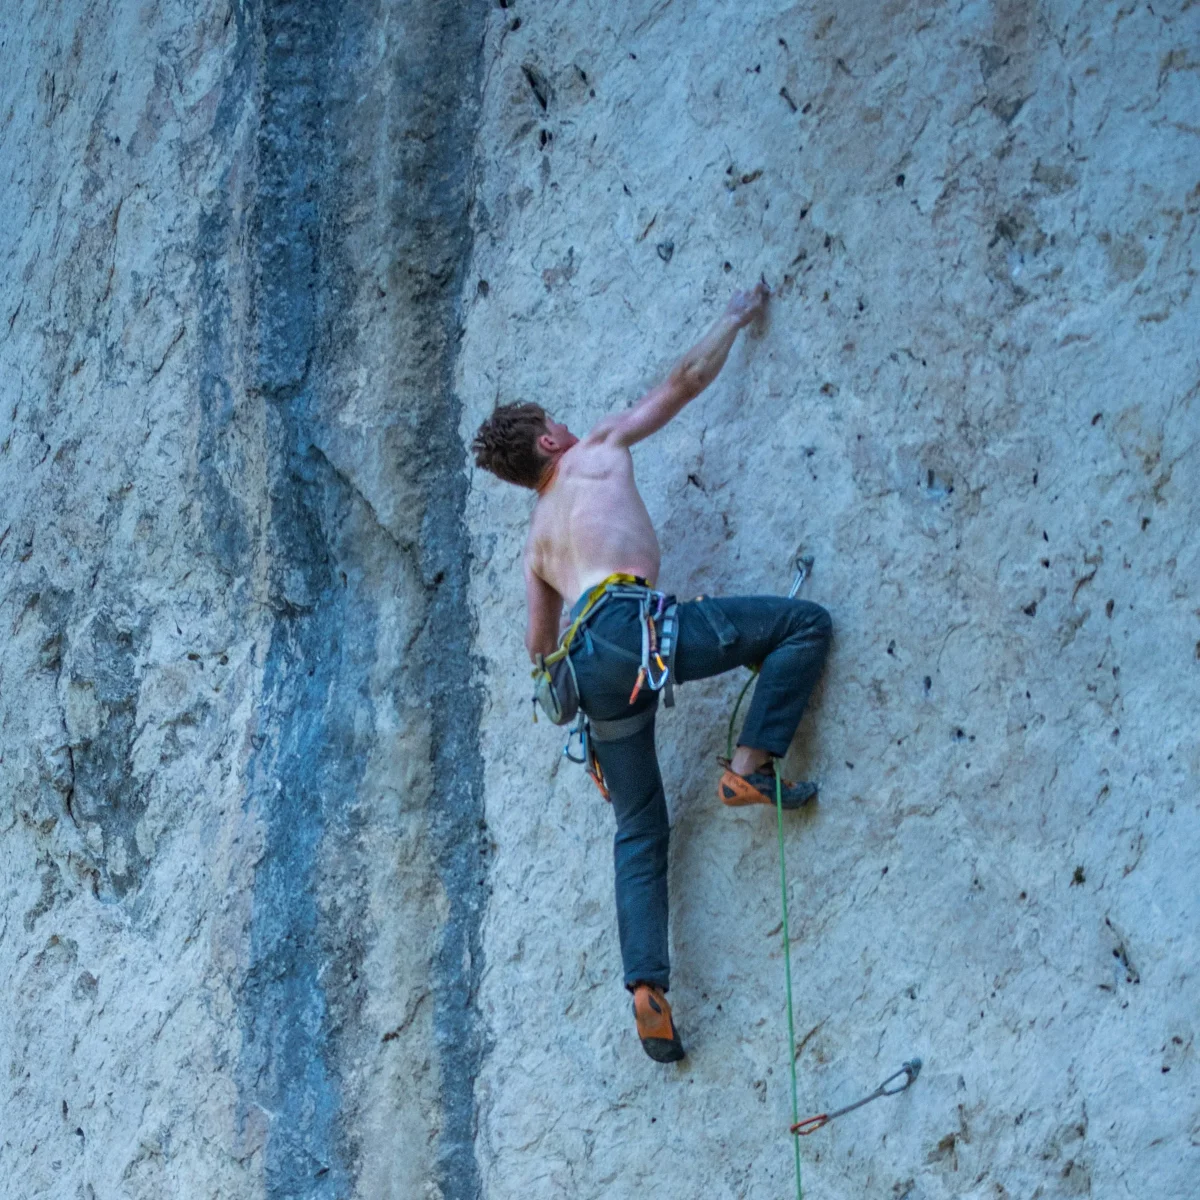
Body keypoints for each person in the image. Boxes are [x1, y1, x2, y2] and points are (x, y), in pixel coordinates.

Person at [471, 282, 831, 1063]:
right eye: (553, 422)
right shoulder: (594, 451)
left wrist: (589, 740)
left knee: (638, 826)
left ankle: (646, 988)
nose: (565, 425)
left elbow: (538, 652)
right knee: (803, 626)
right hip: (634, 628)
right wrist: (732, 316)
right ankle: (749, 766)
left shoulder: (535, 544)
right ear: (548, 442)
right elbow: (681, 384)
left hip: (586, 666)